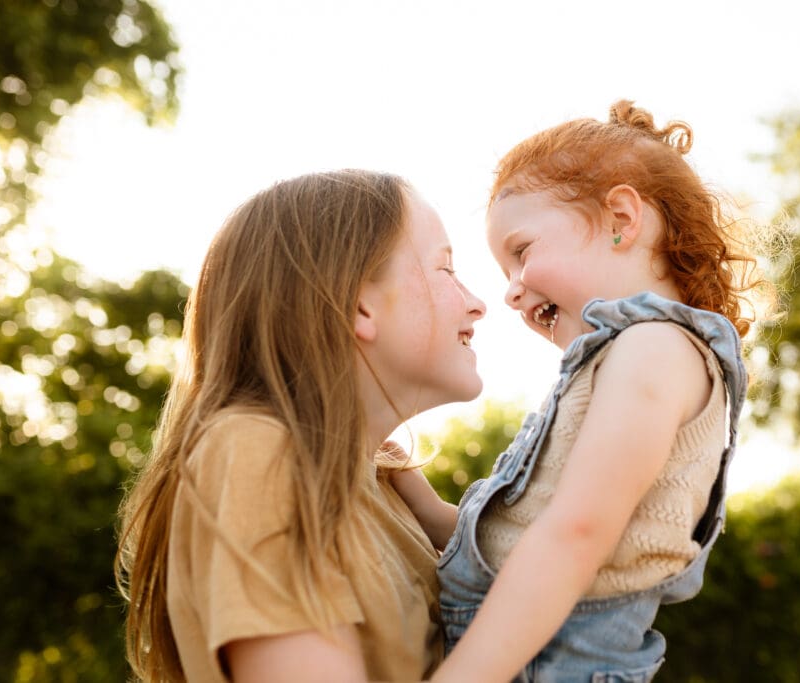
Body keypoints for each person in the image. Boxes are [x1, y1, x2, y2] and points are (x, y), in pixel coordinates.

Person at [392, 100, 760, 682]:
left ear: (620, 218)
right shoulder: (625, 359)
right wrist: (405, 483)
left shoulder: (655, 350)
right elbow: (505, 543)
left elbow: (575, 536)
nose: (512, 292)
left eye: (521, 253)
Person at [114, 169, 487, 683]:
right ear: (359, 304)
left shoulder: (387, 487)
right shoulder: (252, 448)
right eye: (446, 270)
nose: (477, 303)